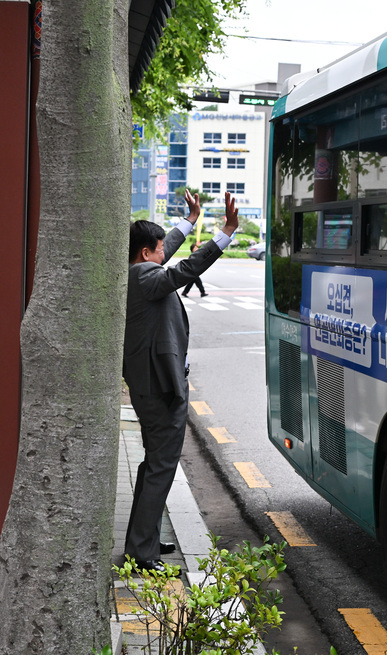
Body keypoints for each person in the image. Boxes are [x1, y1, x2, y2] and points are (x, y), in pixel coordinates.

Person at [122, 189, 239, 572]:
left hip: (150, 381)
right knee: (160, 466)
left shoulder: (139, 270)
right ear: (145, 253)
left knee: (152, 463)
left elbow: (166, 250)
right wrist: (225, 233)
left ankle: (144, 539)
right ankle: (142, 554)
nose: (163, 254)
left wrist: (190, 220)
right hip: (160, 388)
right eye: (158, 250)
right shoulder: (147, 277)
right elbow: (185, 269)